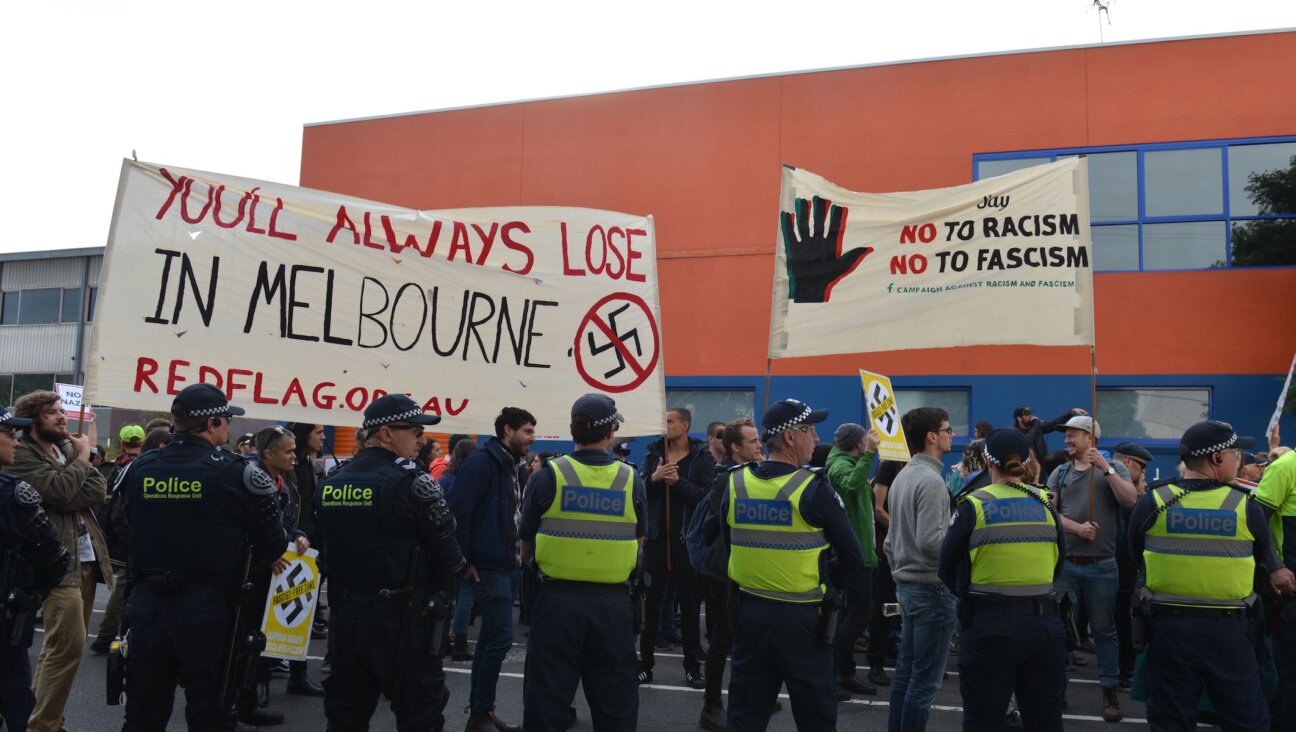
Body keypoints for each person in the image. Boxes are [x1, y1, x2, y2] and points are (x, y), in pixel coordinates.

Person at [112, 383, 286, 730]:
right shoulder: (237, 472)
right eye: (226, 420)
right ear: (211, 424)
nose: (228, 428)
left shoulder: (140, 468)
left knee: (143, 716)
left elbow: (120, 528)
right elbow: (273, 543)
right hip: (210, 612)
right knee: (211, 714)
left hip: (147, 607)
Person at [315, 393, 466, 732]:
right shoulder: (412, 482)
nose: (422, 439)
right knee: (419, 718)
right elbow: (451, 561)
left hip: (347, 620)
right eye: (414, 430)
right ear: (385, 434)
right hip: (405, 622)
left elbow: (324, 554)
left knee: (345, 717)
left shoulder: (331, 483)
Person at [1131, 420, 1295, 731]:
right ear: (1217, 458)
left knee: (1171, 720)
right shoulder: (1245, 507)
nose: (1241, 460)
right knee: (1246, 718)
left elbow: (1134, 555)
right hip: (1229, 631)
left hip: (1169, 629)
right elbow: (1266, 564)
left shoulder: (1152, 502)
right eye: (1236, 452)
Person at [723, 398, 865, 731]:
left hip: (749, 615)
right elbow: (854, 560)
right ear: (790, 437)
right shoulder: (814, 490)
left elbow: (726, 544)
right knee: (815, 715)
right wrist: (829, 586)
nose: (816, 438)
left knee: (745, 714)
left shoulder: (735, 484)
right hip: (804, 620)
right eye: (810, 430)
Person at [520, 394, 646, 732]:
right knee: (615, 706)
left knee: (546, 703)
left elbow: (526, 546)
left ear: (574, 430)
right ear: (611, 432)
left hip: (555, 603)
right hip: (612, 605)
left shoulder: (547, 476)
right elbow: (639, 543)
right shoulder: (632, 479)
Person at [939, 428, 1068, 731]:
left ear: (987, 461)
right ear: (1026, 461)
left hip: (990, 626)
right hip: (1045, 626)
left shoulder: (974, 504)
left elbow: (946, 567)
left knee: (983, 719)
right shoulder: (1047, 503)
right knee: (1045, 720)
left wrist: (968, 592)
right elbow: (1058, 564)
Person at [7, 390, 112, 732]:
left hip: (85, 558)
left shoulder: (64, 448)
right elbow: (59, 492)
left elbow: (98, 491)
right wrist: (82, 460)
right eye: (52, 412)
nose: (61, 416)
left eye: (61, 410)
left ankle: (38, 718)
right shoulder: (21, 454)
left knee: (62, 647)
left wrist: (75, 469)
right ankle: (42, 725)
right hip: (53, 562)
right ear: (33, 418)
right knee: (68, 644)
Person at [448, 407, 536, 732]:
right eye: (526, 431)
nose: (532, 437)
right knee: (499, 638)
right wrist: (465, 559)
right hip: (490, 565)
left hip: (509, 565)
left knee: (489, 639)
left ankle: (480, 713)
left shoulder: (511, 465)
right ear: (507, 430)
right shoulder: (483, 464)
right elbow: (460, 512)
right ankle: (481, 712)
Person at [1044, 415, 1136, 721]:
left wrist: (1106, 469)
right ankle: (1058, 689)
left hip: (1103, 565)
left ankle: (1109, 691)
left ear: (1090, 437)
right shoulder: (1060, 472)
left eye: (1073, 435)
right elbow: (1050, 513)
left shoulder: (1116, 469)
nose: (1068, 440)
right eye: (1066, 435)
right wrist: (1077, 528)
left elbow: (1130, 501)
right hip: (1067, 565)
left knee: (1104, 632)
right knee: (1062, 631)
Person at [883, 406, 957, 732]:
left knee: (907, 672)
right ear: (931, 437)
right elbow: (931, 543)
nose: (952, 434)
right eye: (947, 429)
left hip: (909, 587)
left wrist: (902, 572)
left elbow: (889, 543)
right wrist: (960, 557)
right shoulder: (930, 481)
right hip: (931, 589)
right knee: (924, 682)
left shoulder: (904, 476)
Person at [0, 406, 70, 732]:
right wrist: (27, 595)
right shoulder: (13, 495)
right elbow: (55, 559)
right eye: (9, 434)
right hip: (4, 628)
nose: (15, 442)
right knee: (17, 708)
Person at [696, 418, 768, 730]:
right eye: (753, 442)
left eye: (759, 440)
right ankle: (712, 705)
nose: (760, 446)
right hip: (722, 569)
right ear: (735, 447)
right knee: (723, 638)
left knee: (744, 635)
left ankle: (746, 695)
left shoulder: (752, 473)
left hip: (743, 567)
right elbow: (719, 522)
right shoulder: (725, 477)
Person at [637, 407, 714, 687]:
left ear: (685, 424)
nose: (665, 425)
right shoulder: (652, 454)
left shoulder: (701, 457)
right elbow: (641, 494)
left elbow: (707, 498)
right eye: (663, 421)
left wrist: (678, 483)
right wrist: (654, 480)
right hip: (657, 540)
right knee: (651, 604)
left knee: (690, 608)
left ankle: (692, 666)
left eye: (670, 421)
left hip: (687, 543)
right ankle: (644, 663)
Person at [825, 422, 882, 698]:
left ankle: (843, 671)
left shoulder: (843, 460)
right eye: (866, 441)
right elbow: (849, 484)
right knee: (858, 615)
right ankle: (836, 672)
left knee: (851, 614)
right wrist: (871, 455)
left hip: (858, 549)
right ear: (859, 444)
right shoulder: (840, 465)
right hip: (853, 553)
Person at [90, 424, 147, 654]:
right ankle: (107, 638)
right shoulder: (139, 468)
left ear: (121, 444)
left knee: (122, 589)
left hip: (115, 537)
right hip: (130, 539)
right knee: (125, 588)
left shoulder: (112, 467)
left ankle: (107, 637)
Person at [1256, 442, 1296, 728]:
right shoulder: (1284, 467)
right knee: (1288, 664)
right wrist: (1276, 567)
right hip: (1291, 586)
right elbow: (1257, 520)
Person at [1013, 405, 1087, 464]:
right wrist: (1035, 424)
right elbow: (1027, 441)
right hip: (1028, 469)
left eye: (1030, 413)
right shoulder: (1016, 433)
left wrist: (1071, 412)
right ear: (1019, 418)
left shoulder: (1036, 427)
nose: (1031, 416)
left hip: (1041, 468)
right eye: (1027, 415)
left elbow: (1053, 424)